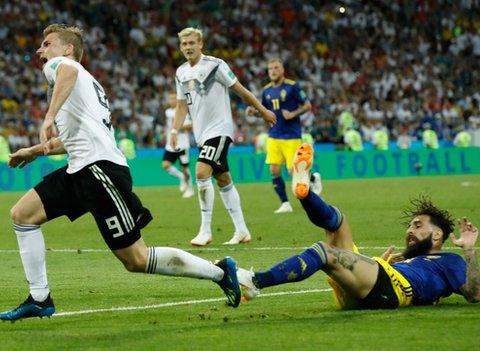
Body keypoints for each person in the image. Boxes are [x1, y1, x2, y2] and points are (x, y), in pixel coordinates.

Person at [0, 24, 243, 321]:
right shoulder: (84, 86)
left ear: (68, 49)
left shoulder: (64, 67)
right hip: (81, 169)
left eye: (47, 44)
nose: (41, 50)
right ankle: (39, 298)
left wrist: (48, 116)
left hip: (101, 172)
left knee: (136, 259)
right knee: (22, 215)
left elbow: (68, 72)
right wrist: (34, 151)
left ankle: (220, 272)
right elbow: (73, 139)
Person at [237, 143, 480, 309]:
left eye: (417, 225)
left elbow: (474, 294)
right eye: (409, 225)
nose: (410, 230)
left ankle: (255, 281)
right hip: (379, 283)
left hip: (392, 289)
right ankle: (305, 194)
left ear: (437, 234)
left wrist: (469, 251)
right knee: (338, 223)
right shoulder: (409, 260)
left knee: (324, 251)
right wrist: (382, 263)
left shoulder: (449, 260)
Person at [170, 27, 276, 246]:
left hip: (220, 129)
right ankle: (242, 231)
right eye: (184, 44)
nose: (188, 47)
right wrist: (174, 130)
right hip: (201, 134)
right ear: (180, 47)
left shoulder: (215, 65)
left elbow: (241, 90)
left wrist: (263, 111)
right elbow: (181, 106)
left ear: (200, 44)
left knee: (200, 172)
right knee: (223, 179)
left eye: (192, 43)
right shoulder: (180, 72)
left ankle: (205, 230)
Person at [246, 58, 321, 214]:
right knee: (274, 170)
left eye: (276, 68)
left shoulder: (293, 87)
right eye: (270, 69)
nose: (273, 71)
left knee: (293, 172)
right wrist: (255, 113)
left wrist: (293, 113)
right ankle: (285, 203)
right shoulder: (266, 91)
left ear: (282, 70)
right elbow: (266, 114)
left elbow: (307, 105)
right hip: (273, 136)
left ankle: (313, 178)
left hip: (291, 136)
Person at [162, 92, 194, 198]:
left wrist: (176, 128)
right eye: (170, 98)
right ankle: (181, 178)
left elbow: (190, 126)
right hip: (171, 145)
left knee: (184, 168)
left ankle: (190, 189)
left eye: (173, 98)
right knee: (166, 165)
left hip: (182, 144)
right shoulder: (168, 112)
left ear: (178, 100)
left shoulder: (182, 112)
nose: (171, 101)